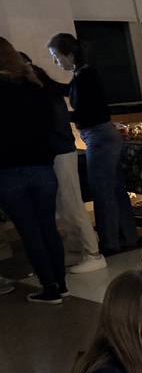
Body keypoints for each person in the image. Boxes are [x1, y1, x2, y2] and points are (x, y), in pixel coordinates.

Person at [46, 32, 137, 256]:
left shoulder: (85, 76)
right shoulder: (83, 74)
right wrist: (45, 82)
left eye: (56, 57)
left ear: (69, 55)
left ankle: (109, 243)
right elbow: (70, 92)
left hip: (99, 137)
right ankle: (127, 236)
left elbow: (87, 113)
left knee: (102, 191)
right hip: (105, 135)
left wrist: (59, 116)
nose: (56, 62)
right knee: (115, 189)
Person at [21, 52, 106, 274]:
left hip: (59, 150)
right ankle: (78, 249)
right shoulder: (42, 86)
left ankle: (93, 253)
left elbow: (50, 124)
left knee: (71, 203)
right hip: (57, 150)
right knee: (64, 204)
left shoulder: (40, 89)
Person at [0, 36, 67, 304]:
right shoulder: (34, 86)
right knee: (48, 226)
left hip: (9, 171)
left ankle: (49, 287)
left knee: (29, 231)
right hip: (42, 167)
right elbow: (49, 123)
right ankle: (61, 283)